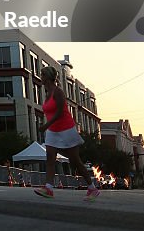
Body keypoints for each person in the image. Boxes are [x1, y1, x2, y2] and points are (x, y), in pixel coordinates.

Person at [36, 66, 99, 201]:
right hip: (53, 131)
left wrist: (46, 125)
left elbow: (59, 113)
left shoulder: (58, 92)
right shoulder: (47, 93)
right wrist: (48, 126)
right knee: (50, 158)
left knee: (75, 161)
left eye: (42, 75)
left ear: (47, 77)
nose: (40, 77)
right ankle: (49, 188)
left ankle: (92, 188)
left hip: (66, 129)